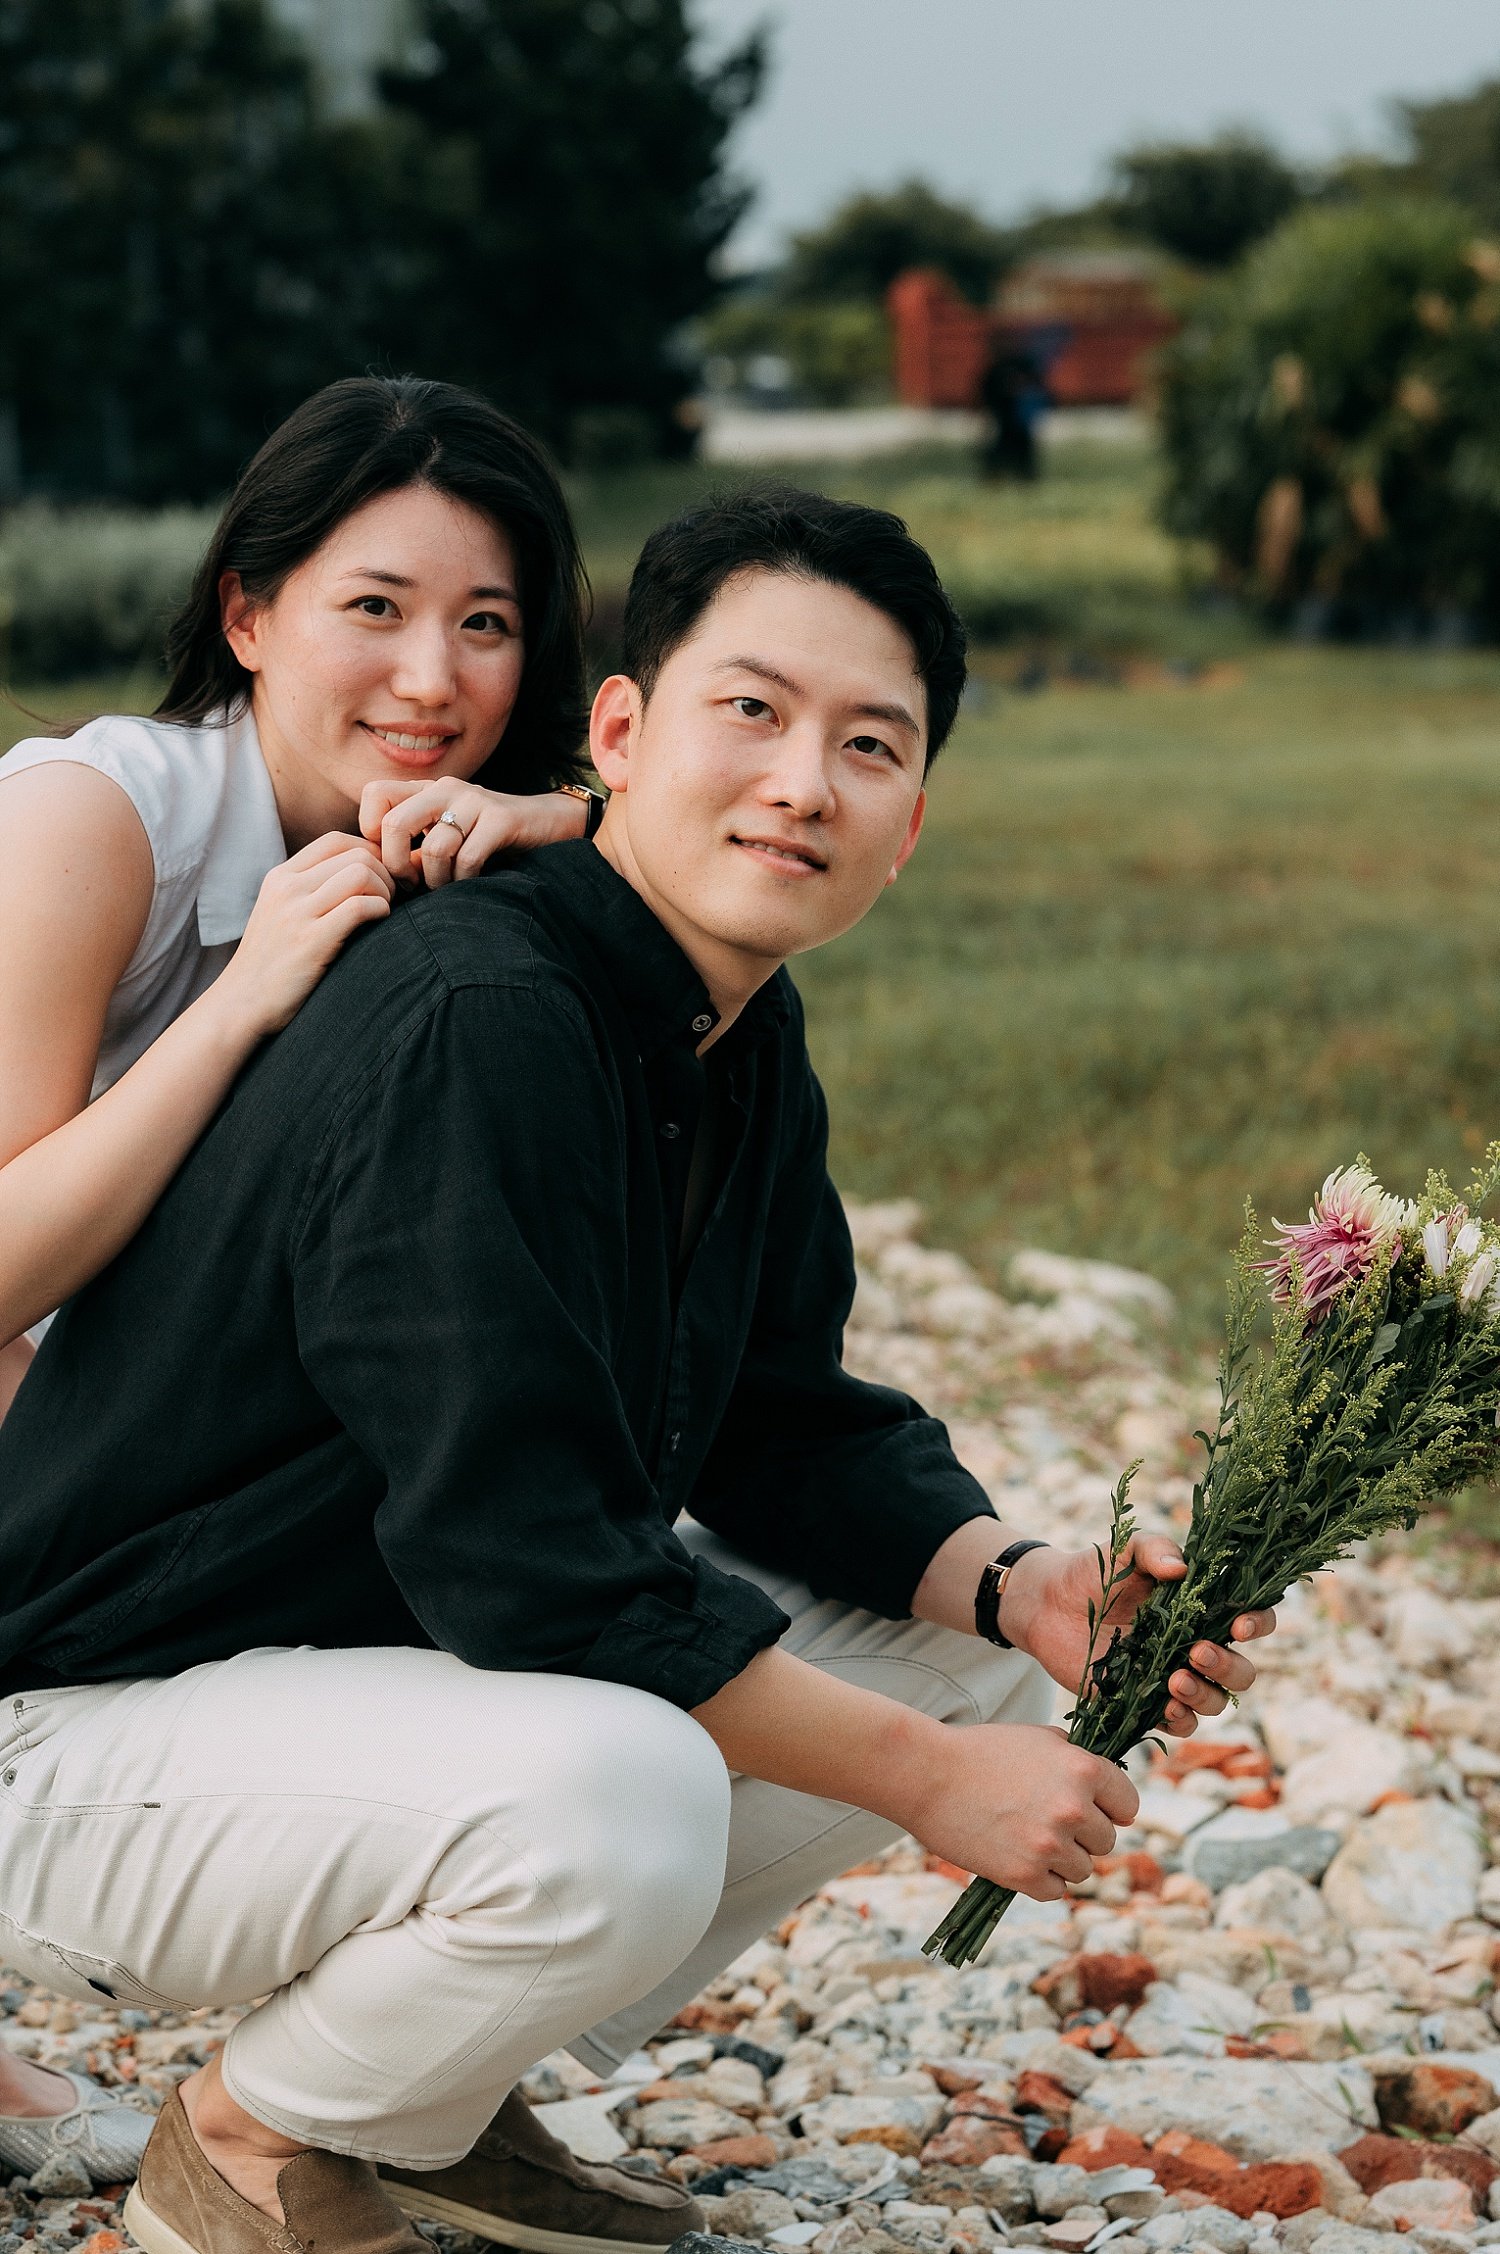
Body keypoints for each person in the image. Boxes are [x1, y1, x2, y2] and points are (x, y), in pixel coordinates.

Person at [0, 488, 1272, 2254]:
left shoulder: (725, 1020)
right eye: (748, 708)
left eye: (868, 743)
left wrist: (1025, 1581)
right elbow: (528, 1550)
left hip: (323, 1692)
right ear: (618, 732)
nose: (801, 781)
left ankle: (421, 2098)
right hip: (75, 1739)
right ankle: (253, 2140)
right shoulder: (480, 1011)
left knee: (958, 1655)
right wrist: (917, 1782)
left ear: (911, 822)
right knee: (632, 1786)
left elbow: (774, 1412)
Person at [0, 375, 600, 1432]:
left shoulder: (489, 837)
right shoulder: (90, 821)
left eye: (486, 623)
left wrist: (584, 824)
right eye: (376, 606)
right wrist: (239, 1004)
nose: (430, 679)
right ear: (247, 618)